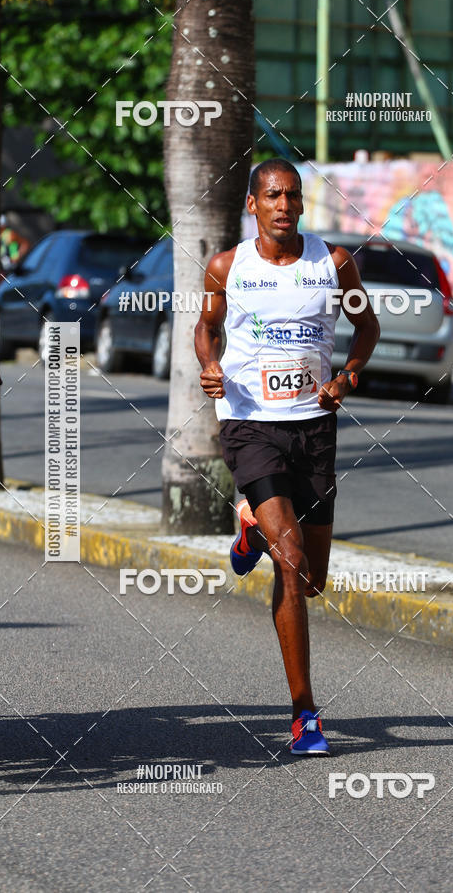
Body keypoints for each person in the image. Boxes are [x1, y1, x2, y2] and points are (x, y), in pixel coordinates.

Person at [195, 158, 379, 755]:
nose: (283, 205)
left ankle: (250, 531)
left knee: (313, 581)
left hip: (314, 427)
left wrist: (346, 375)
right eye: (272, 195)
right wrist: (209, 363)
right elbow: (207, 327)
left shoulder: (334, 263)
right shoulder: (228, 267)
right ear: (253, 204)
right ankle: (305, 714)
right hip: (250, 424)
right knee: (292, 561)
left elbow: (367, 328)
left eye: (293, 196)